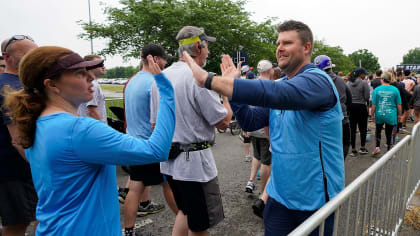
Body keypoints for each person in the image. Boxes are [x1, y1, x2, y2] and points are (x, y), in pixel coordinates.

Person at [182, 20, 344, 236]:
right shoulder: (279, 86)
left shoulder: (318, 81)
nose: (280, 48)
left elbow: (275, 94)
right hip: (279, 196)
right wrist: (232, 88)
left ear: (306, 48)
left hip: (315, 200)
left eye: (287, 42)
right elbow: (249, 121)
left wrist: (210, 80)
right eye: (278, 43)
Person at [3, 46, 175, 235]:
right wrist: (166, 93)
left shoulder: (36, 123)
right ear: (52, 85)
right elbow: (156, 150)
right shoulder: (80, 129)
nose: (91, 77)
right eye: (79, 73)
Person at [153, 26, 232, 236]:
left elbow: (154, 124)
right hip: (194, 165)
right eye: (207, 47)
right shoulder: (198, 78)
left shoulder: (161, 77)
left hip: (169, 162)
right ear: (198, 46)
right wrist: (227, 92)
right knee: (199, 226)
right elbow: (223, 121)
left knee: (185, 212)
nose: (209, 52)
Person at [123, 44, 177, 236]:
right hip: (150, 143)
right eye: (164, 59)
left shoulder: (132, 81)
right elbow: (157, 119)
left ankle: (128, 230)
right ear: (154, 59)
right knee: (168, 184)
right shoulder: (154, 82)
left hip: (133, 141)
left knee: (135, 187)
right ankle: (184, 220)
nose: (165, 62)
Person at [0, 35, 38, 236]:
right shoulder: (7, 87)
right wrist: (40, 166)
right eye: (28, 54)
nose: (34, 57)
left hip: (27, 165)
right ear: (6, 56)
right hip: (14, 169)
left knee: (45, 215)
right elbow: (17, 138)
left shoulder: (26, 84)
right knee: (17, 224)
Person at [314, 55, 352, 159]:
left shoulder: (315, 81)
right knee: (344, 144)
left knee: (325, 147)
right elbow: (349, 99)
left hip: (323, 120)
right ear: (330, 67)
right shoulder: (341, 81)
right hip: (342, 118)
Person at [371, 72, 402, 155]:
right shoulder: (395, 90)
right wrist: (399, 115)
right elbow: (399, 104)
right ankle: (389, 150)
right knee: (389, 133)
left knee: (378, 131)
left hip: (379, 114)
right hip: (391, 115)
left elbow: (373, 104)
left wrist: (372, 115)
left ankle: (377, 148)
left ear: (383, 79)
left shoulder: (377, 90)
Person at [77, 55, 107, 123]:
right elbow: (92, 111)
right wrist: (103, 130)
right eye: (99, 64)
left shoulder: (86, 82)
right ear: (89, 66)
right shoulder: (93, 85)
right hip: (95, 129)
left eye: (103, 64)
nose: (103, 67)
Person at [347, 67, 370, 156]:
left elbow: (347, 96)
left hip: (351, 107)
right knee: (363, 128)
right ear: (360, 74)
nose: (365, 76)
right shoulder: (364, 83)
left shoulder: (348, 82)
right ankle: (362, 148)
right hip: (361, 106)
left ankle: (353, 149)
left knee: (352, 129)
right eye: (364, 74)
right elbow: (367, 97)